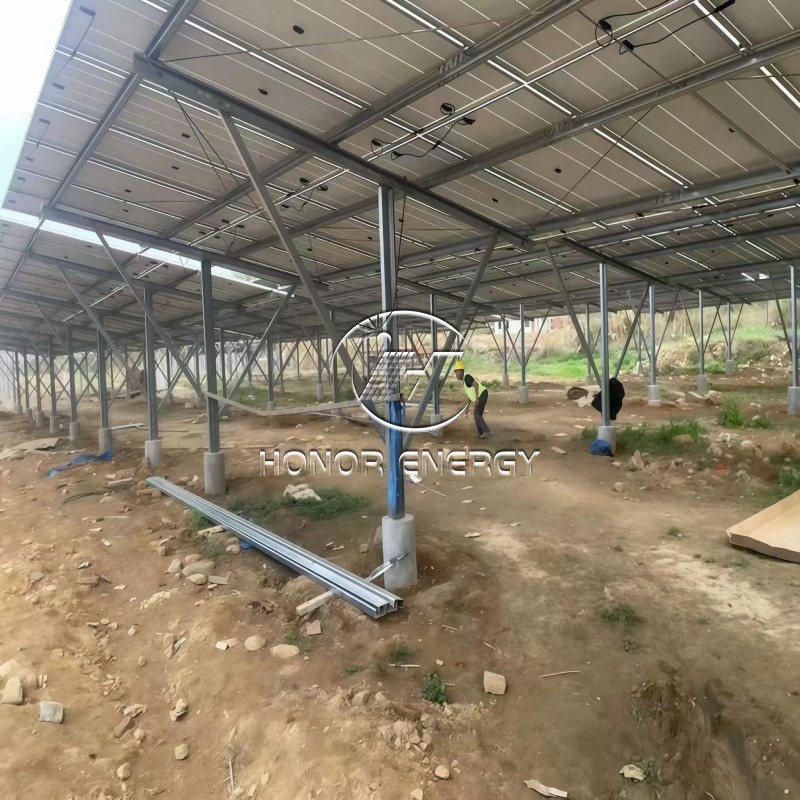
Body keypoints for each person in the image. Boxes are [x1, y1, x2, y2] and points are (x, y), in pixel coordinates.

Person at [453, 360, 491, 438]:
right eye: (455, 372)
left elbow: (476, 385)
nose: (456, 374)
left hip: (482, 394)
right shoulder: (464, 381)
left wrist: (477, 399)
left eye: (457, 372)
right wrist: (467, 408)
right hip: (482, 394)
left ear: (461, 371)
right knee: (477, 414)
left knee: (477, 414)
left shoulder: (466, 377)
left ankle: (487, 432)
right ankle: (481, 433)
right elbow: (469, 396)